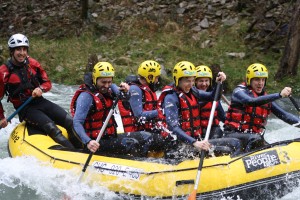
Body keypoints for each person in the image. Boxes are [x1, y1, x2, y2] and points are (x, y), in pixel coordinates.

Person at [0, 33, 75, 149]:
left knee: (70, 121)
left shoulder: (32, 64)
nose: (22, 53)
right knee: (52, 129)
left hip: (40, 101)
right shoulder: (3, 72)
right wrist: (1, 117)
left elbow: (47, 83)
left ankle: (86, 149)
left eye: (24, 49)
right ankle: (74, 153)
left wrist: (40, 88)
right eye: (18, 49)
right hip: (25, 109)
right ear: (12, 51)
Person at [159, 61, 241, 156]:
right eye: (187, 81)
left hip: (194, 142)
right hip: (179, 146)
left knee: (235, 143)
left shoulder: (192, 91)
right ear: (178, 80)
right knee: (227, 149)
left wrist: (219, 82)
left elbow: (213, 96)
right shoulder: (171, 98)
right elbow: (173, 127)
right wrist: (195, 143)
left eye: (192, 80)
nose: (190, 84)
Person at [70, 61, 152, 156]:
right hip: (95, 142)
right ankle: (138, 165)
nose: (106, 85)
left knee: (144, 136)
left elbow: (124, 98)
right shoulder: (86, 96)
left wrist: (125, 91)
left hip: (109, 137)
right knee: (131, 143)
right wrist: (88, 142)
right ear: (95, 79)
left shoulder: (110, 88)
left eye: (109, 82)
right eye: (103, 82)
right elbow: (77, 122)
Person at [223, 63, 300, 152]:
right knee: (256, 139)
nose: (260, 83)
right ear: (249, 80)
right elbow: (251, 101)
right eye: (257, 80)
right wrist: (279, 95)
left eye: (263, 80)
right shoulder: (239, 92)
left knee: (274, 148)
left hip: (254, 139)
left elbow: (285, 116)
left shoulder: (266, 99)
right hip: (233, 136)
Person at [118, 60, 167, 152]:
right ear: (150, 77)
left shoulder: (146, 89)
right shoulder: (135, 90)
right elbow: (139, 116)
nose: (157, 80)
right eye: (156, 77)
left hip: (147, 131)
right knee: (165, 139)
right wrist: (162, 111)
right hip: (136, 134)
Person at [195, 65, 226, 139]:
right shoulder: (191, 95)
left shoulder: (214, 96)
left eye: (206, 81)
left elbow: (223, 117)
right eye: (201, 81)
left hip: (213, 129)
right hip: (198, 130)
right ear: (195, 82)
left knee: (217, 132)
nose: (204, 84)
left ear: (210, 82)